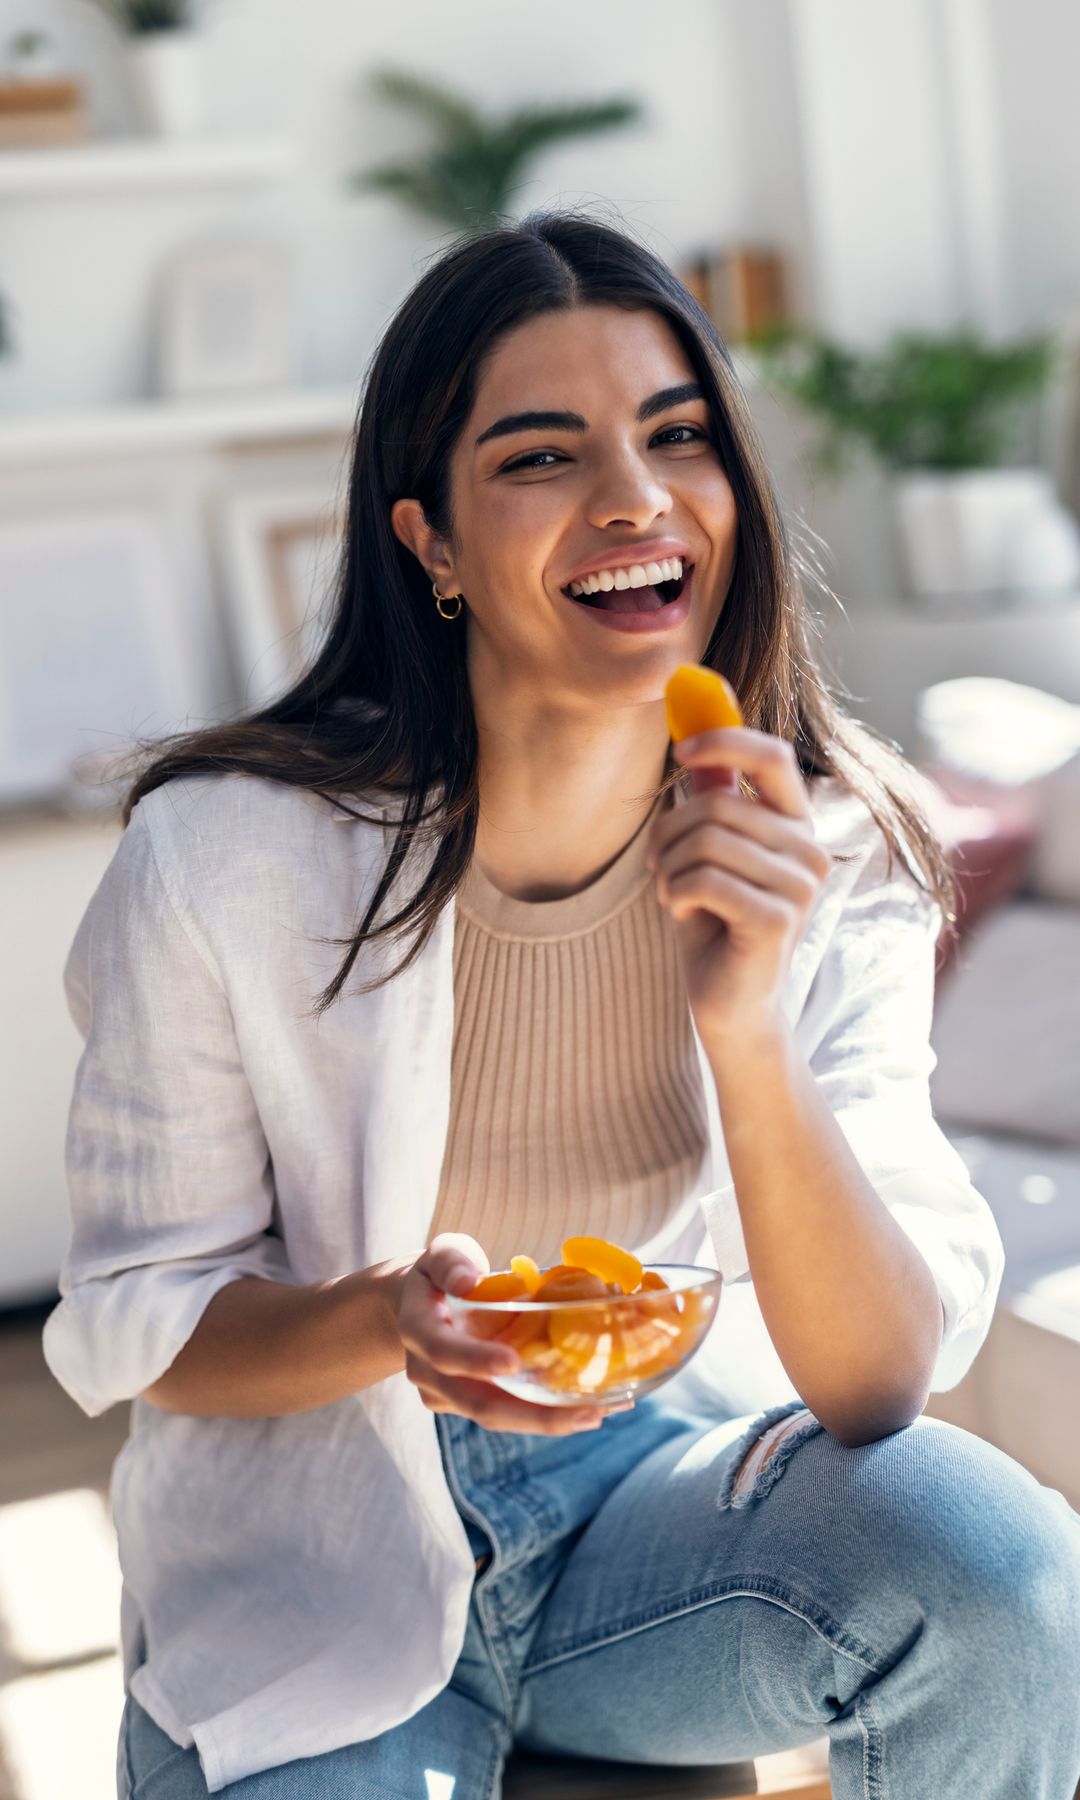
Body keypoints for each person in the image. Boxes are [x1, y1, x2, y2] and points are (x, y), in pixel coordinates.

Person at [44, 209, 1080, 1800]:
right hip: (311, 1538)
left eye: (679, 437)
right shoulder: (225, 859)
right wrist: (389, 1323)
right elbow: (137, 1319)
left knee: (996, 1565)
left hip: (645, 1512)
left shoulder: (840, 851)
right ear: (430, 542)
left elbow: (880, 1379)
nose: (636, 497)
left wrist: (743, 1023)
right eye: (542, 456)